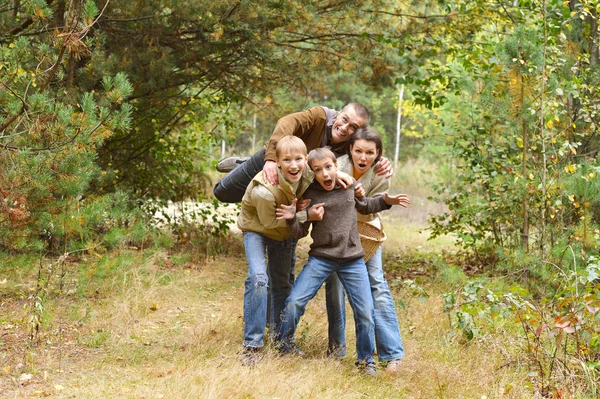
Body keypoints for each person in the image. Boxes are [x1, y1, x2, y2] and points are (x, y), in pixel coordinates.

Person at [274, 148, 410, 376]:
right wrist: (293, 218)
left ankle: (366, 360)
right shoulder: (309, 194)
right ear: (312, 172)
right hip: (321, 258)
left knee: (365, 311)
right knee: (295, 301)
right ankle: (282, 346)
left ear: (336, 166)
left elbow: (366, 205)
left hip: (352, 260)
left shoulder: (349, 187)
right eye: (317, 170)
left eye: (328, 167)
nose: (324, 174)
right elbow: (299, 232)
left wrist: (387, 201)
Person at [325, 128, 406, 372]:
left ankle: (391, 353)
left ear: (378, 154)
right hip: (337, 232)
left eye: (369, 152)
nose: (363, 156)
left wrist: (359, 196)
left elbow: (372, 209)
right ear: (350, 149)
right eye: (358, 150)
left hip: (367, 234)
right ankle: (337, 349)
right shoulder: (336, 166)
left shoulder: (380, 174)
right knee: (335, 286)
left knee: (376, 284)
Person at [236, 136, 321, 367]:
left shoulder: (307, 173)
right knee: (258, 279)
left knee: (282, 284)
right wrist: (303, 215)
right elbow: (271, 223)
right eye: (287, 160)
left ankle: (282, 341)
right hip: (258, 227)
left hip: (283, 229)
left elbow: (329, 169)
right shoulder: (264, 190)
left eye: (298, 159)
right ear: (278, 163)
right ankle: (252, 346)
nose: (294, 165)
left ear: (306, 159)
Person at [213, 103, 393, 203]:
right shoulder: (319, 116)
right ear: (339, 114)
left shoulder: (351, 145)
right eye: (344, 120)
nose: (345, 128)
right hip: (274, 159)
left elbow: (367, 150)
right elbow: (286, 123)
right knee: (223, 193)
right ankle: (245, 163)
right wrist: (269, 159)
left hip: (297, 181)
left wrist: (380, 161)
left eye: (353, 127)